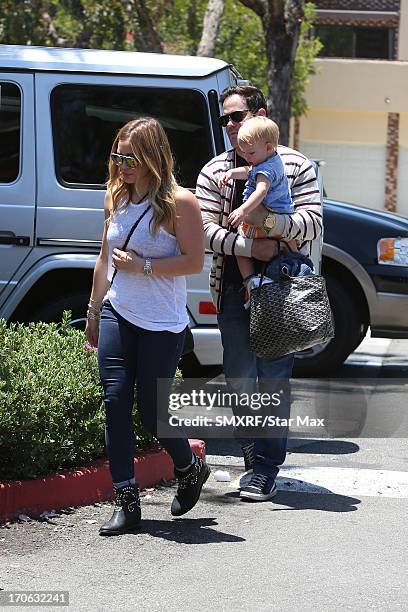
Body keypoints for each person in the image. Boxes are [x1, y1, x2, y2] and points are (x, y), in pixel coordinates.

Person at [196, 85, 322, 501]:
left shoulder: (295, 165)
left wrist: (270, 227)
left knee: (272, 377)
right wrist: (252, 247)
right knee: (239, 379)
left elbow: (312, 224)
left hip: (282, 287)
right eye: (225, 119)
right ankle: (252, 452)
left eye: (238, 117)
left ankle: (266, 466)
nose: (231, 125)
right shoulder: (214, 171)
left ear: (260, 115)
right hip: (233, 288)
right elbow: (204, 230)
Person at [85, 117, 210, 535]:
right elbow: (104, 257)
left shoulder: (181, 203)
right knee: (115, 401)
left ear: (153, 157)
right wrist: (93, 309)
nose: (123, 164)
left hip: (162, 322)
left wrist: (145, 266)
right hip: (117, 311)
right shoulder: (115, 197)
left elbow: (194, 261)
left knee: (153, 412)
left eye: (131, 157)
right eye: (118, 155)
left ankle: (189, 468)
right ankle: (126, 500)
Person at [218, 115, 294, 304]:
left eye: (250, 153)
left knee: (241, 243)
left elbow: (260, 191)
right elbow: (248, 171)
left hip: (269, 216)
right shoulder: (268, 160)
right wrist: (231, 173)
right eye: (243, 153)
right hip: (282, 217)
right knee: (291, 244)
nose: (246, 157)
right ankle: (297, 262)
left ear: (268, 147)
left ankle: (250, 280)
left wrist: (242, 211)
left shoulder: (266, 170)